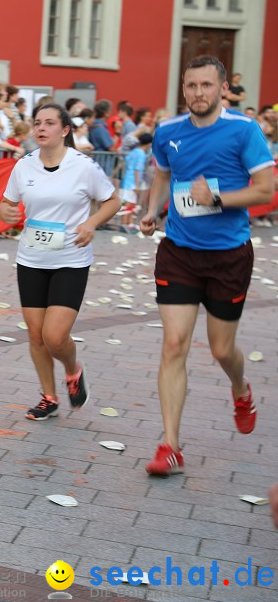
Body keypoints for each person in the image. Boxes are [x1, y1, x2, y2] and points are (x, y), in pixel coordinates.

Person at [139, 56, 275, 476]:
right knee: (174, 345)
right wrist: (152, 209)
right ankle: (170, 446)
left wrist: (217, 199)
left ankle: (240, 387)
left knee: (220, 349)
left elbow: (266, 190)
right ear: (184, 89)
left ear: (221, 89)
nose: (198, 93)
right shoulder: (168, 132)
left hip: (228, 255)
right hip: (179, 250)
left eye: (206, 86)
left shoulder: (244, 130)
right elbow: (162, 175)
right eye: (191, 86)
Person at [0, 103, 121, 421]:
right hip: (31, 259)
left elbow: (113, 201)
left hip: (71, 259)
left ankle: (72, 369)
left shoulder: (83, 166)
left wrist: (92, 223)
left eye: (49, 123)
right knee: (36, 335)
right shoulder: (24, 166)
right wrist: (6, 213)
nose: (41, 128)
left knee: (54, 336)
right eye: (37, 122)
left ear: (65, 130)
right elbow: (6, 204)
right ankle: (48, 397)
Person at [119, 133, 152, 229]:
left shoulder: (133, 151)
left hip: (126, 179)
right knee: (130, 203)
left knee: (129, 203)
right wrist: (137, 185)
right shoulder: (141, 154)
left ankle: (129, 223)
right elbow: (137, 170)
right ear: (149, 144)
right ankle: (125, 225)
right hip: (132, 181)